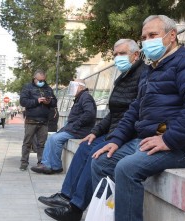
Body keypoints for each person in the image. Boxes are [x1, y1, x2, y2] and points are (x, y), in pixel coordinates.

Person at [91, 15, 185, 221]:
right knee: (100, 162)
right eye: (144, 37)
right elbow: (134, 109)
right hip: (148, 140)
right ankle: (109, 215)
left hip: (184, 145)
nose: (148, 41)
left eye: (153, 35)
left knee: (126, 168)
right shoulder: (151, 70)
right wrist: (115, 140)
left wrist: (169, 139)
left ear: (172, 35)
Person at [40, 39, 146, 221]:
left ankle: (75, 208)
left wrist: (114, 137)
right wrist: (95, 132)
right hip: (113, 131)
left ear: (136, 55)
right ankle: (66, 197)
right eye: (115, 54)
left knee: (96, 154)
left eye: (122, 54)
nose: (117, 58)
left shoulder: (144, 76)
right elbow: (112, 114)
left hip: (127, 134)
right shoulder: (122, 78)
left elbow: (135, 114)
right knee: (84, 147)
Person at [30, 79, 97, 174]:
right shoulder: (80, 97)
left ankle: (55, 166)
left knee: (56, 139)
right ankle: (45, 164)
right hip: (74, 128)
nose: (72, 89)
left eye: (74, 86)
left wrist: (75, 125)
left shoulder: (86, 97)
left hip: (80, 130)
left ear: (81, 87)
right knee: (51, 137)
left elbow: (89, 114)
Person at [19, 69, 57, 171]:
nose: (42, 82)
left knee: (42, 144)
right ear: (34, 79)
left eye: (43, 80)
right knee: (27, 143)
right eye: (40, 80)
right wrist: (37, 101)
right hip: (31, 120)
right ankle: (24, 163)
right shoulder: (28, 88)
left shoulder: (48, 88)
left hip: (44, 121)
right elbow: (23, 101)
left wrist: (48, 102)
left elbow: (54, 102)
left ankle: (41, 163)